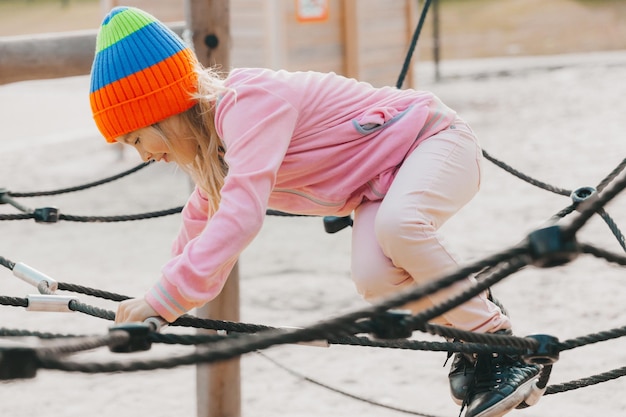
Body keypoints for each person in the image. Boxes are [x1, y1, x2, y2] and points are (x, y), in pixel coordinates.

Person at [90, 7, 542, 417]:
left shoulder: (248, 105)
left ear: (164, 112)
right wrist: (155, 299)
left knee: (399, 227)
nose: (143, 155)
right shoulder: (218, 150)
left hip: (433, 139)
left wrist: (167, 299)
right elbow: (199, 222)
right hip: (380, 186)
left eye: (135, 139)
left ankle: (505, 347)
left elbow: (240, 217)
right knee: (376, 280)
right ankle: (473, 329)